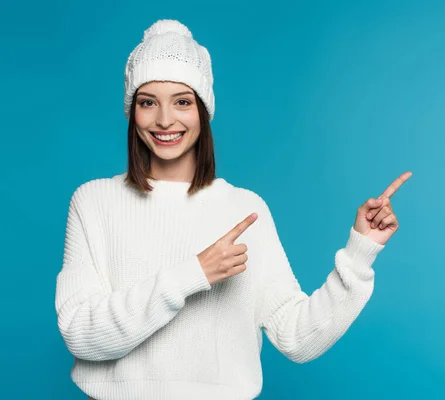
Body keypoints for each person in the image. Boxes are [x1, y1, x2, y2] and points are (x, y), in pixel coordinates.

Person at [54, 19, 412, 400]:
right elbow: (81, 335)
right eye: (147, 102)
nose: (164, 120)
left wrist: (360, 253)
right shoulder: (94, 201)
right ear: (132, 111)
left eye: (182, 102)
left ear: (203, 110)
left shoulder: (244, 209)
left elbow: (297, 337)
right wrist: (192, 274)